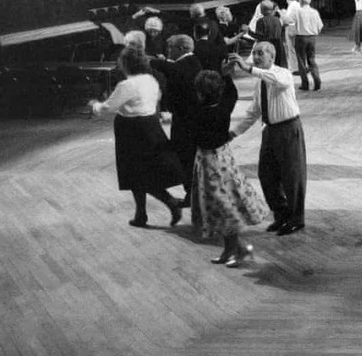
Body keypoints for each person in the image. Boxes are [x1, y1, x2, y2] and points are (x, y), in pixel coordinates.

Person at [89, 45, 185, 228]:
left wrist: (94, 105)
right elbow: (157, 98)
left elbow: (108, 108)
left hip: (131, 129)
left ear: (125, 64)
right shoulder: (150, 79)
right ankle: (143, 214)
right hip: (151, 125)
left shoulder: (126, 85)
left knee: (135, 173)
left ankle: (165, 204)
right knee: (147, 172)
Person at [190, 70, 267, 267]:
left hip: (209, 162)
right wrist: (226, 76)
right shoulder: (224, 107)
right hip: (224, 157)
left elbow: (194, 137)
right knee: (224, 204)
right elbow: (232, 94)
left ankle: (238, 249)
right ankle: (231, 249)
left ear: (200, 93)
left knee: (223, 206)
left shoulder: (199, 112)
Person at [229, 42, 308, 236]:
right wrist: (233, 133)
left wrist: (249, 68)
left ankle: (297, 219)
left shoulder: (282, 73)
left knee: (292, 176)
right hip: (270, 131)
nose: (256, 57)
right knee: (266, 175)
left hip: (289, 128)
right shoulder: (260, 81)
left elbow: (278, 81)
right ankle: (281, 215)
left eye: (260, 53)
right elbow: (254, 112)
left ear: (271, 57)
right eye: (254, 53)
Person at [150, 34, 202, 207]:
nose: (168, 50)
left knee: (186, 157)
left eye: (170, 47)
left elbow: (174, 70)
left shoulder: (189, 63)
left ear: (181, 49)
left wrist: (154, 61)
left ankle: (194, 196)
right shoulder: (188, 61)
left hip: (188, 122)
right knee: (184, 158)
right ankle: (191, 195)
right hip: (184, 119)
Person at [290, 0, 324, 92]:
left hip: (301, 38)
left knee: (301, 61)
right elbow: (320, 26)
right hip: (312, 38)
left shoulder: (298, 11)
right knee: (312, 60)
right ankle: (317, 81)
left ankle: (305, 83)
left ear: (300, 1)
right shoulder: (315, 12)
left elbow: (288, 21)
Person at [250, 0, 287, 68]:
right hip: (279, 45)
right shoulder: (277, 20)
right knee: (278, 66)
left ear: (262, 10)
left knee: (268, 68)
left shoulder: (261, 21)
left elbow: (259, 36)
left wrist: (249, 32)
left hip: (267, 47)